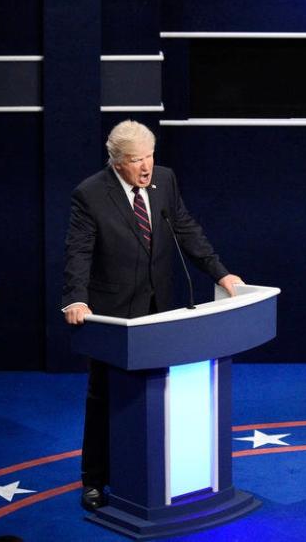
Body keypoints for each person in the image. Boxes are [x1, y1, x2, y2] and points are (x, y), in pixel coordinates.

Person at [61, 120, 243, 512]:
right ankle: (94, 480)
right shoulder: (90, 195)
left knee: (160, 391)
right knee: (104, 396)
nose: (145, 167)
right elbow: (79, 252)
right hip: (114, 314)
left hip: (162, 308)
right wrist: (76, 299)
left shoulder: (165, 180)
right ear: (116, 162)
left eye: (149, 156)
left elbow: (185, 229)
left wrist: (220, 272)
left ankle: (160, 472)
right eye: (135, 160)